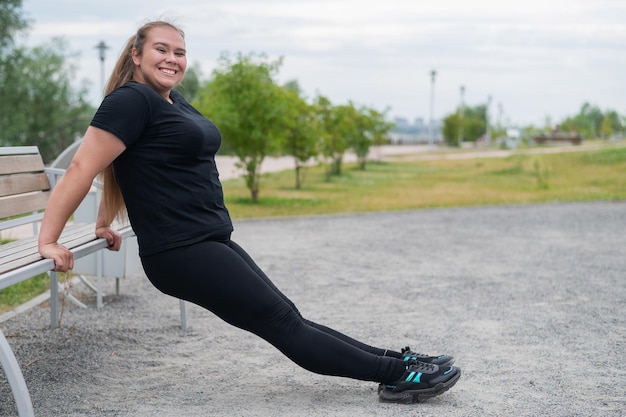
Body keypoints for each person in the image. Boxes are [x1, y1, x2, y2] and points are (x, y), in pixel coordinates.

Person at [38, 20, 461, 404]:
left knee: (289, 317)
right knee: (285, 326)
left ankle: (399, 362)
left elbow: (127, 164)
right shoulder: (132, 100)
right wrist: (48, 239)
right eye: (161, 50)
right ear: (136, 54)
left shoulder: (168, 100)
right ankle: (397, 375)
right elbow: (83, 166)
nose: (171, 59)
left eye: (179, 52)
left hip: (206, 239)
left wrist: (103, 220)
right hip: (180, 250)